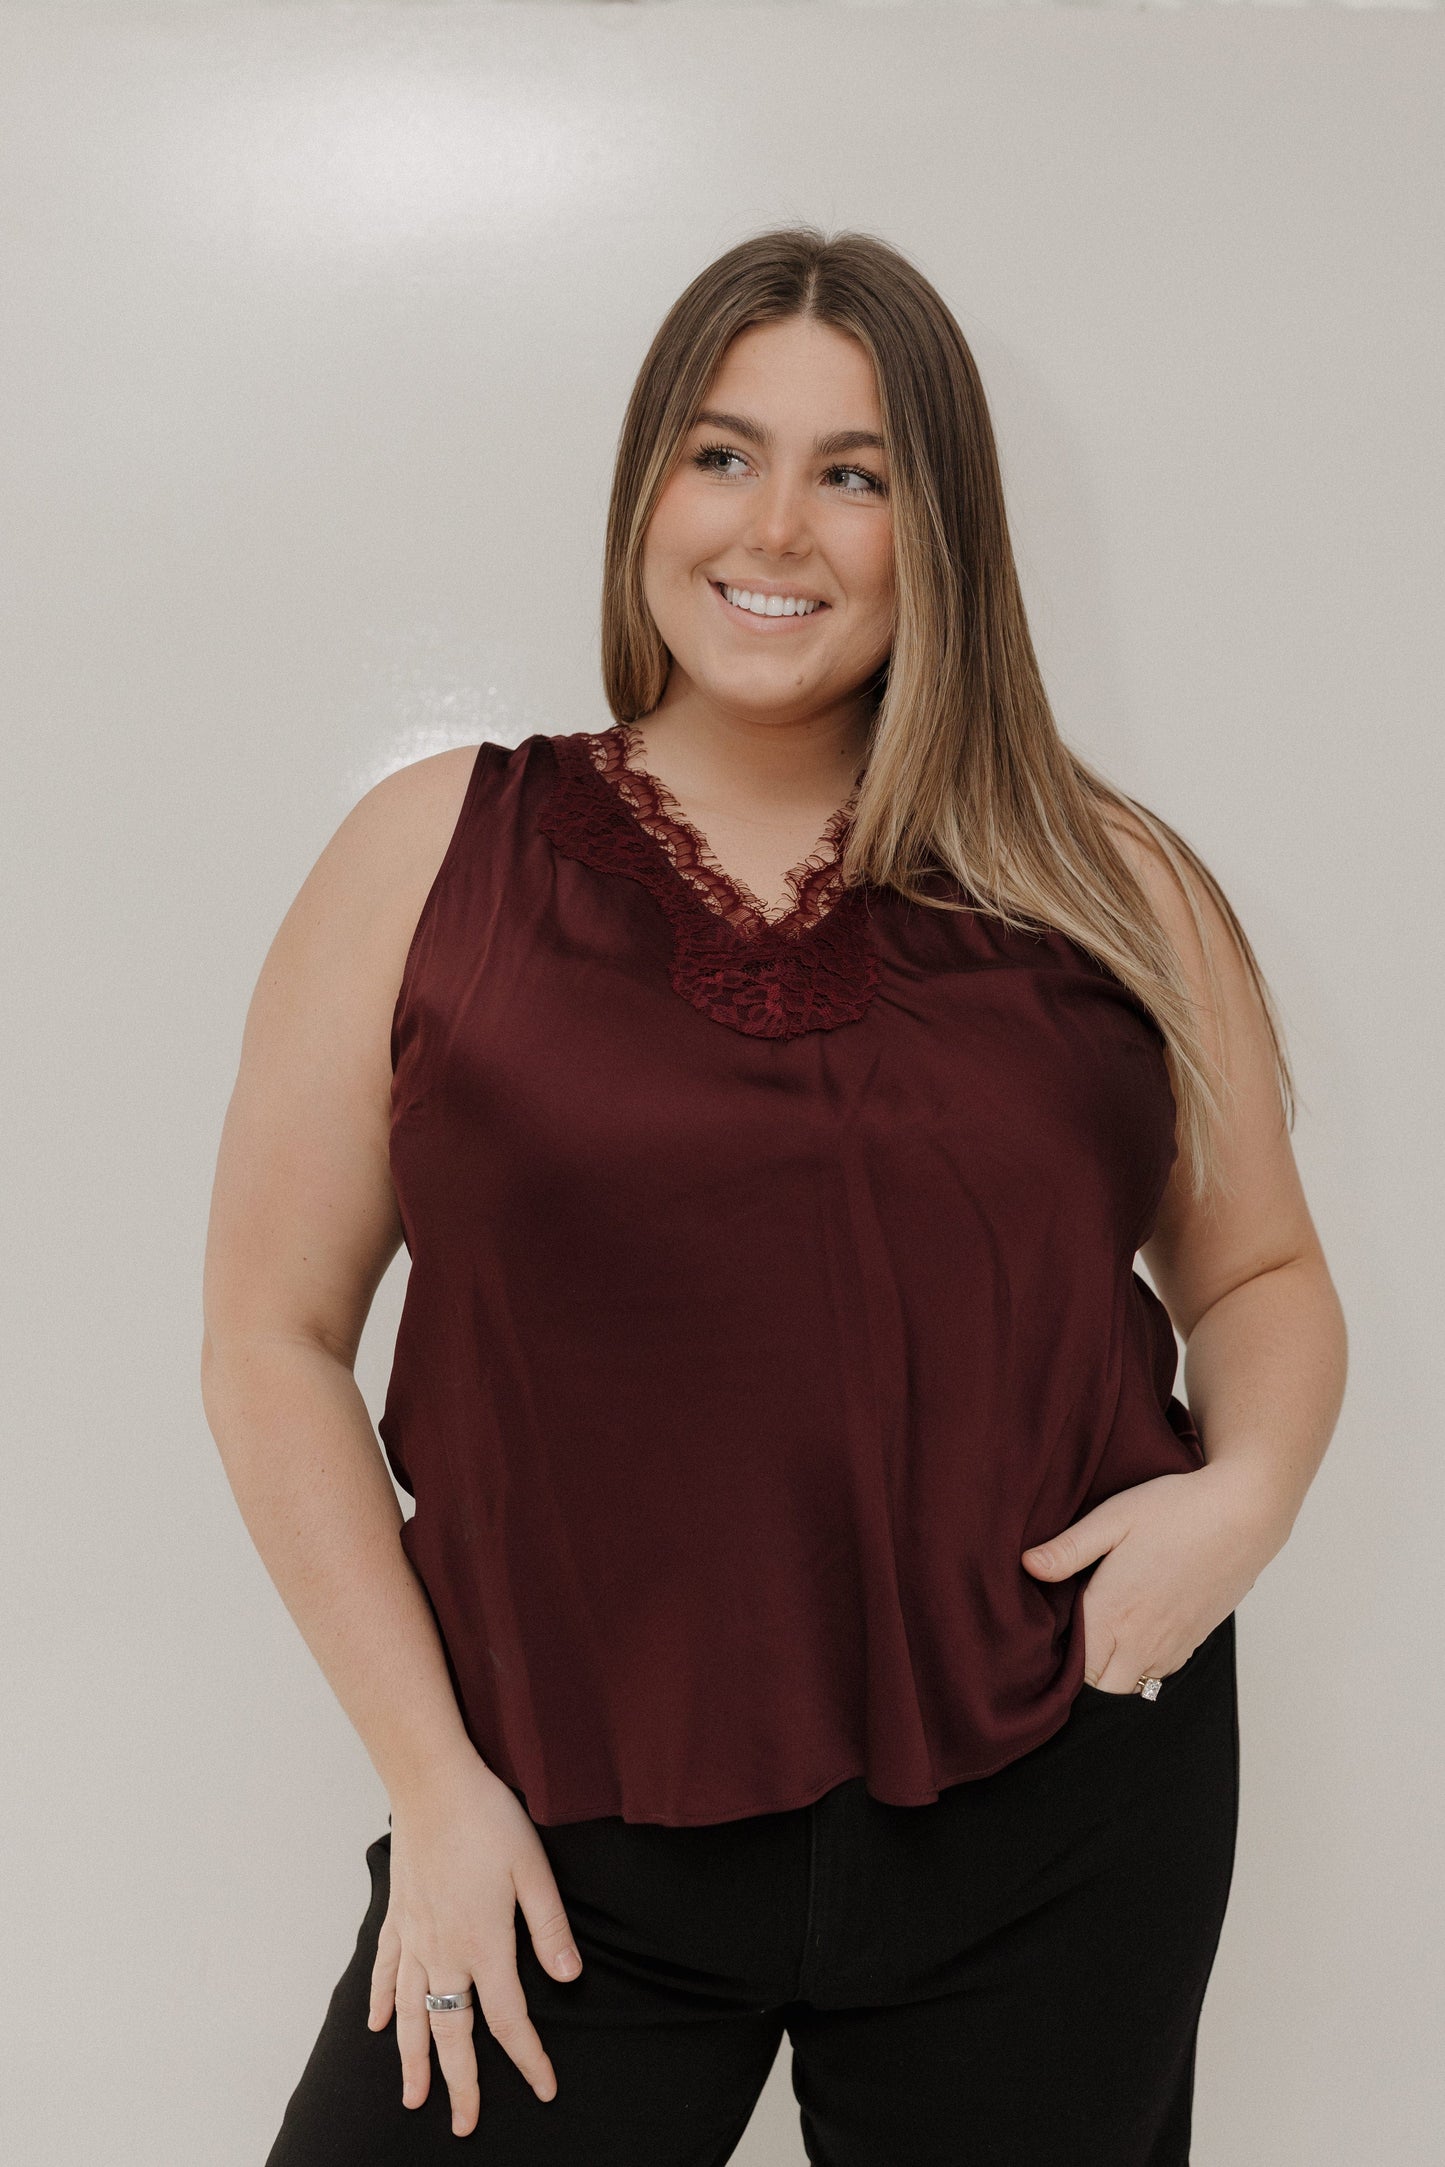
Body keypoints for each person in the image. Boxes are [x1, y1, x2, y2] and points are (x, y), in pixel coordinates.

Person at [201, 225, 1347, 2166]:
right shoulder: (431, 856)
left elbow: (1259, 1275)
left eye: (856, 474)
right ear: (647, 488)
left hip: (1052, 1800)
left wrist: (1242, 1504)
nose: (778, 528)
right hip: (554, 1822)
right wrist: (436, 1789)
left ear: (939, 531)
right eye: (723, 454)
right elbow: (269, 1336)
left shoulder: (1109, 883)